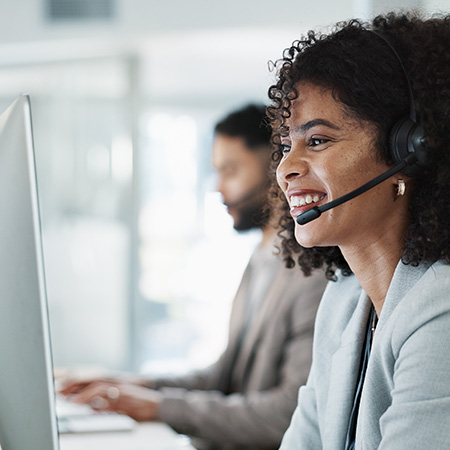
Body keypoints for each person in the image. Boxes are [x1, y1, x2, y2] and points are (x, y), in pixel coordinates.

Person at [61, 104, 327, 450]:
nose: (219, 189)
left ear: (274, 168)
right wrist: (129, 387)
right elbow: (223, 376)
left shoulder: (313, 274)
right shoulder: (262, 259)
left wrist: (158, 407)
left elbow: (287, 413)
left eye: (231, 171)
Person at [267, 11, 450, 450]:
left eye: (318, 141)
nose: (286, 168)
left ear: (408, 152)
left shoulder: (441, 312)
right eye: (286, 145)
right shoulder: (344, 300)